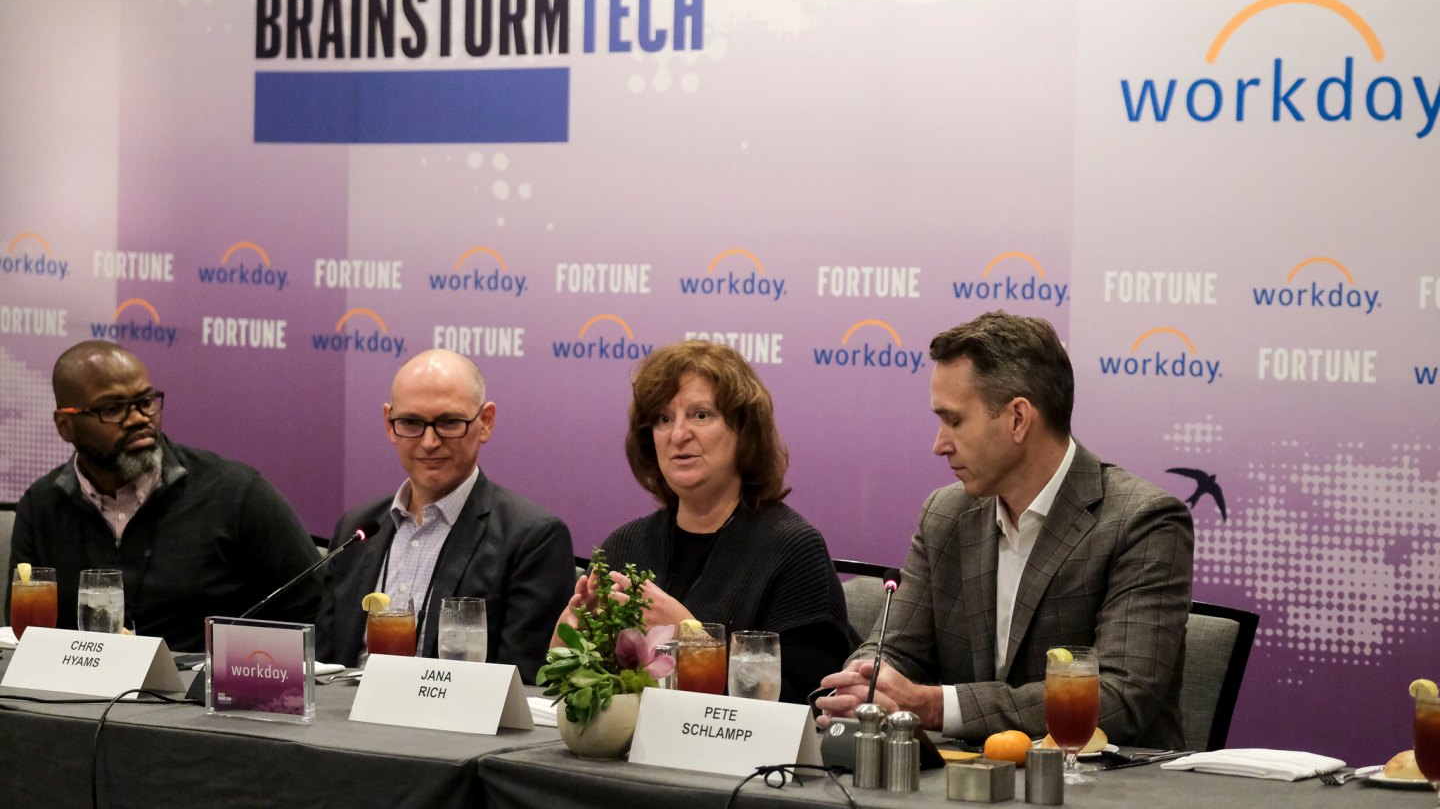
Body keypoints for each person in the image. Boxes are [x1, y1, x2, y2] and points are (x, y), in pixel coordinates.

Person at [815, 312, 1194, 747]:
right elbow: (897, 649)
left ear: (1017, 418)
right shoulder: (945, 514)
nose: (939, 444)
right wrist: (865, 682)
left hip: (1102, 779)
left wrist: (936, 706)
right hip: (964, 776)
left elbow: (1119, 698)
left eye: (954, 420)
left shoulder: (1142, 521)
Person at [558, 340, 854, 704]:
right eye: (664, 419)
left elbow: (808, 700)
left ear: (743, 431)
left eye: (700, 415)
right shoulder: (625, 545)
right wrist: (569, 643)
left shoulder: (793, 549)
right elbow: (588, 691)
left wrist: (691, 637)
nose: (678, 435)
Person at [6, 341, 321, 651]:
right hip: (78, 683)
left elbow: (315, 615)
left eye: (145, 402)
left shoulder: (237, 494)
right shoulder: (42, 504)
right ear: (66, 426)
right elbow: (26, 633)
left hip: (202, 684)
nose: (138, 418)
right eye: (112, 409)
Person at [316, 349, 573, 681]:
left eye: (449, 422)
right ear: (389, 424)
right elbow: (323, 668)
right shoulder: (357, 528)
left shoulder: (532, 538)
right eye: (411, 422)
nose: (429, 441)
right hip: (345, 712)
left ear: (485, 421)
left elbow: (524, 685)